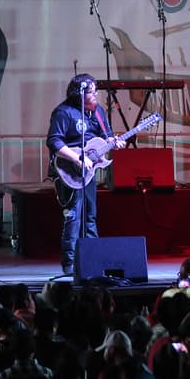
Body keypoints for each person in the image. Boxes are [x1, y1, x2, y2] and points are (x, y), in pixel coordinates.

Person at [46, 73, 126, 278]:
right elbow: (54, 142)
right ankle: (70, 264)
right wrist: (76, 159)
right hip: (68, 171)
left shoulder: (98, 111)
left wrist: (114, 142)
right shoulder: (64, 113)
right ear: (79, 95)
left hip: (88, 173)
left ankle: (94, 259)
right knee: (73, 216)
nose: (96, 95)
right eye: (92, 91)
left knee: (90, 216)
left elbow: (106, 136)